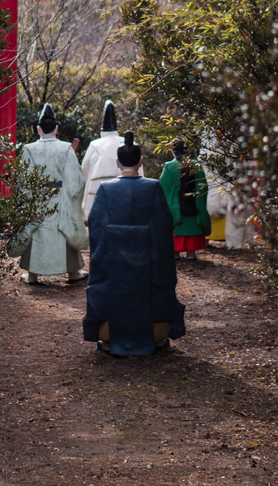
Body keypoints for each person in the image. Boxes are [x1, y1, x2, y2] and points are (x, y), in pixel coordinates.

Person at [83, 131, 186, 356]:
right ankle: (156, 338)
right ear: (141, 161)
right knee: (158, 298)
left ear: (118, 163)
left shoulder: (106, 190)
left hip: (113, 275)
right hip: (149, 277)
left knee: (105, 299)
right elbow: (163, 234)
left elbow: (97, 232)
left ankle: (110, 338)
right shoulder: (153, 188)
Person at [18, 102, 88, 285]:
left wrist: (27, 200)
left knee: (35, 229)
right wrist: (72, 200)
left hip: (37, 197)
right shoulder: (66, 148)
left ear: (38, 129)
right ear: (56, 129)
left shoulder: (28, 149)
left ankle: (32, 275)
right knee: (64, 228)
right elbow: (76, 181)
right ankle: (74, 273)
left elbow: (23, 180)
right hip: (61, 196)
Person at [159, 142, 211, 261]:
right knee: (192, 225)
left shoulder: (169, 166)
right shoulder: (196, 165)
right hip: (194, 207)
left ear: (173, 152)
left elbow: (164, 187)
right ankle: (191, 254)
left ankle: (175, 254)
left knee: (175, 226)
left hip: (176, 208)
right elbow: (203, 187)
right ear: (188, 151)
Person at [81, 99, 121, 220]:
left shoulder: (94, 145)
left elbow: (84, 171)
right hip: (123, 191)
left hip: (97, 192)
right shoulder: (128, 143)